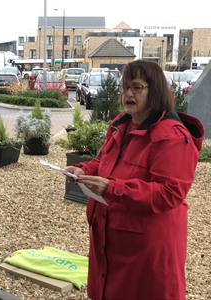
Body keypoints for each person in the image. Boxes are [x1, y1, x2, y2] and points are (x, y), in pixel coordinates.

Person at [65, 60, 204, 299]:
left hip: (146, 249)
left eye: (136, 88)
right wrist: (82, 170)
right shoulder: (120, 126)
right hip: (109, 241)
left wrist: (111, 187)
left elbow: (169, 193)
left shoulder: (172, 136)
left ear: (155, 92)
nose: (127, 93)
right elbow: (104, 162)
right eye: (124, 87)